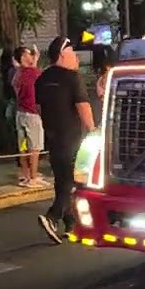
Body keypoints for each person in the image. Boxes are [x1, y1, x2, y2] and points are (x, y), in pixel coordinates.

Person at [35, 36, 95, 244]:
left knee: (61, 180)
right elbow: (83, 107)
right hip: (71, 139)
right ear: (62, 54)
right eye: (73, 53)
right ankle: (52, 217)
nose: (76, 59)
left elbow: (39, 110)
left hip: (53, 138)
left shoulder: (41, 80)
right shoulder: (72, 78)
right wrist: (94, 130)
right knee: (72, 182)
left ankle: (71, 225)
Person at [13, 47, 45, 187]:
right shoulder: (33, 73)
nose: (32, 56)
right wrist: (35, 62)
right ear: (24, 57)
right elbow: (40, 76)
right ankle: (33, 177)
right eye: (29, 54)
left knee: (23, 145)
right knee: (34, 147)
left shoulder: (18, 74)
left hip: (20, 113)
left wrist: (34, 62)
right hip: (32, 114)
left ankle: (25, 175)